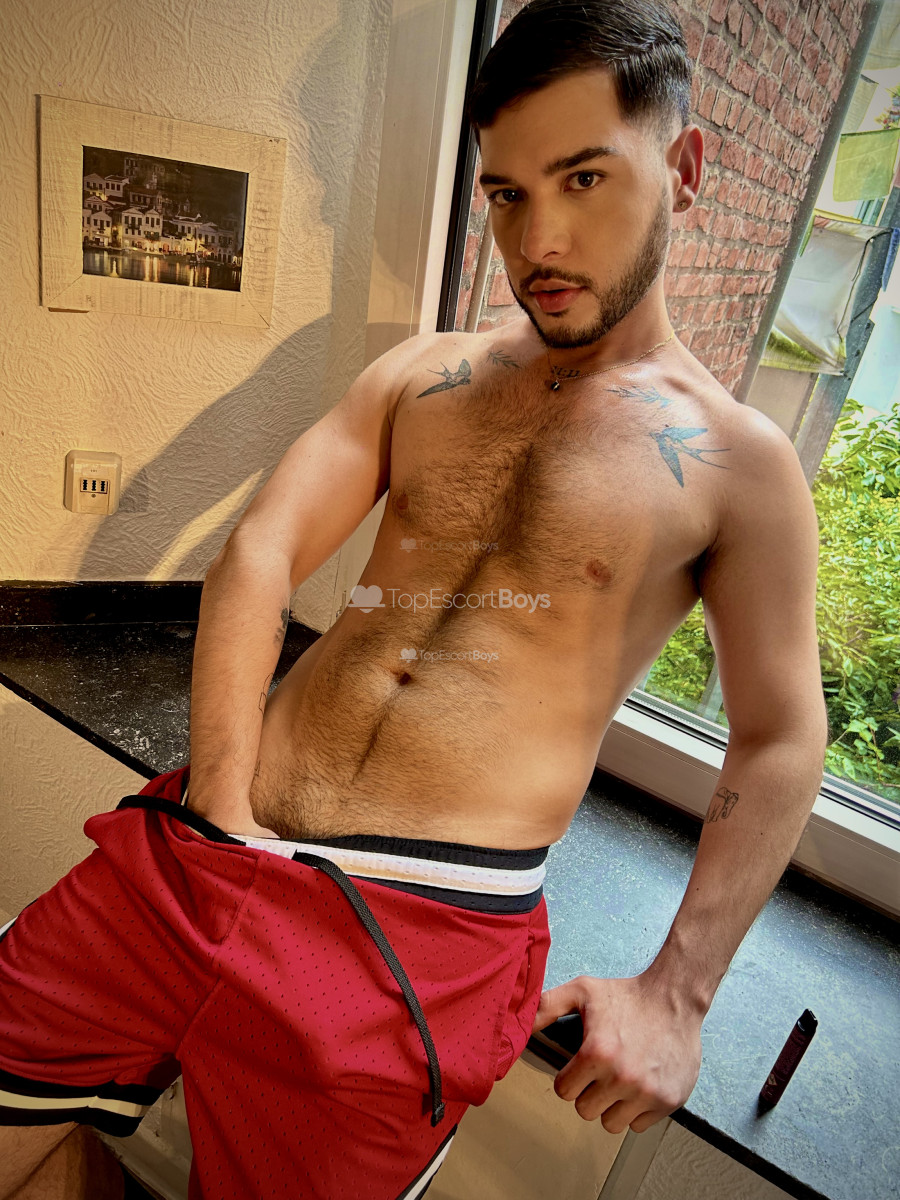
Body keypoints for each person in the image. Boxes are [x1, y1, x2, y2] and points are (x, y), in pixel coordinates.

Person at [0, 1, 828, 1197]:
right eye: (506, 195)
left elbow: (782, 734)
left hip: (418, 934)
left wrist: (679, 993)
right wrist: (222, 805)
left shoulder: (741, 466)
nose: (539, 238)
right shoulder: (423, 372)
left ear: (686, 168)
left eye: (585, 178)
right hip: (204, 842)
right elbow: (261, 551)